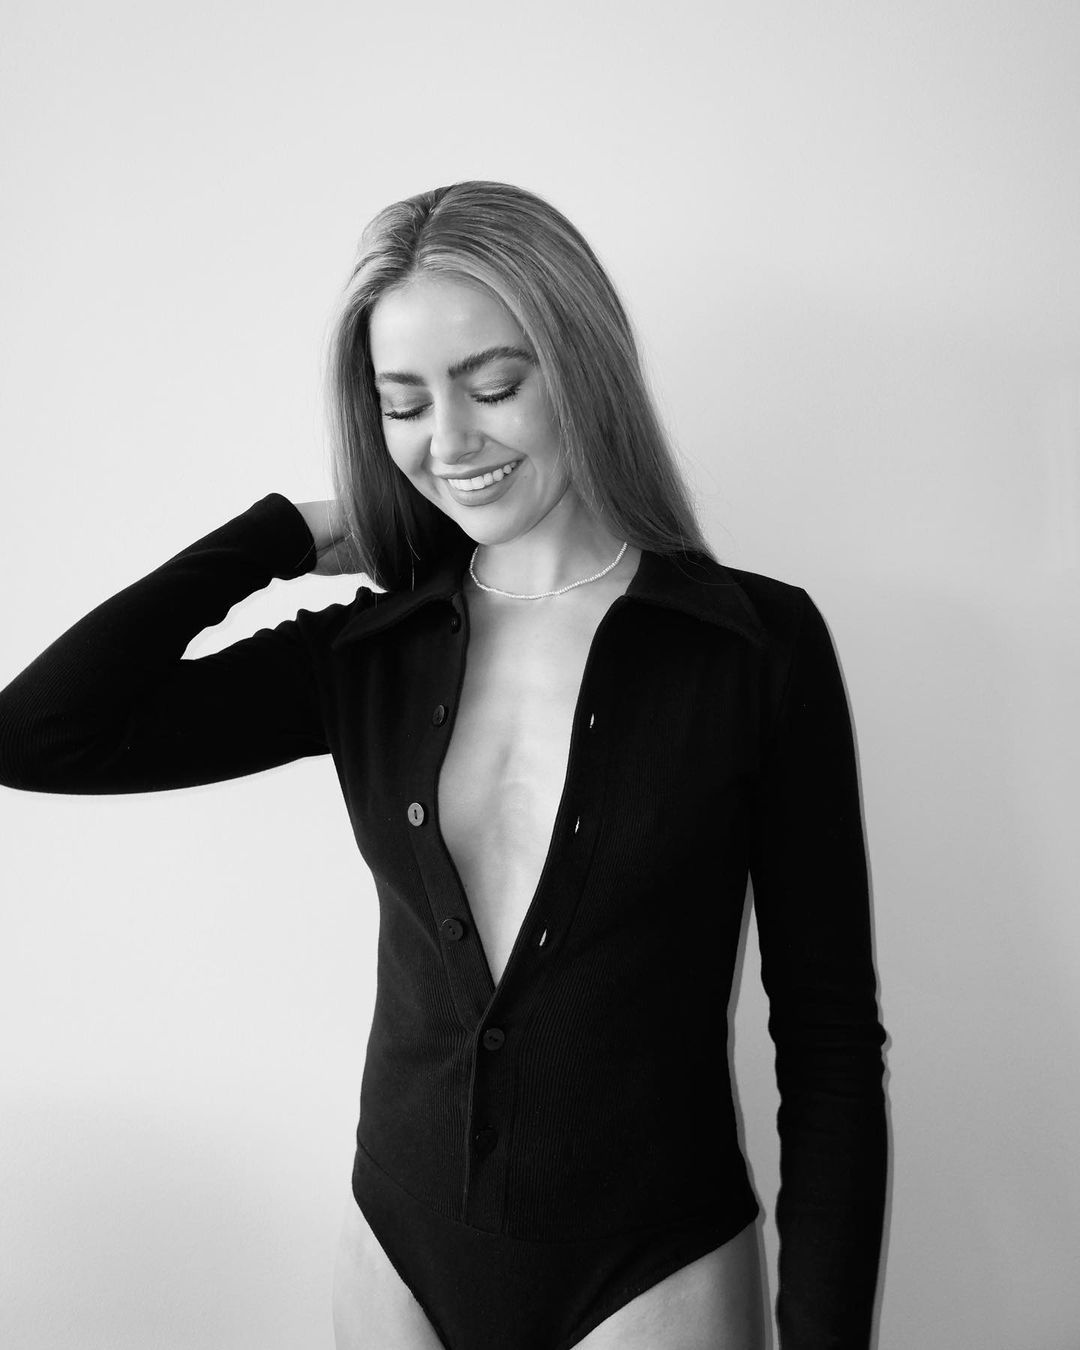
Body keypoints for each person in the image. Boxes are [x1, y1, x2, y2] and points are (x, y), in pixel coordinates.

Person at [0, 180, 889, 1350]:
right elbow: (39, 734)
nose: (451, 443)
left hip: (654, 1268)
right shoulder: (372, 651)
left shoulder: (751, 647)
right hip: (398, 1258)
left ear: (583, 371)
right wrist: (281, 534)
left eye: (495, 386)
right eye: (404, 404)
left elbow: (827, 1040)